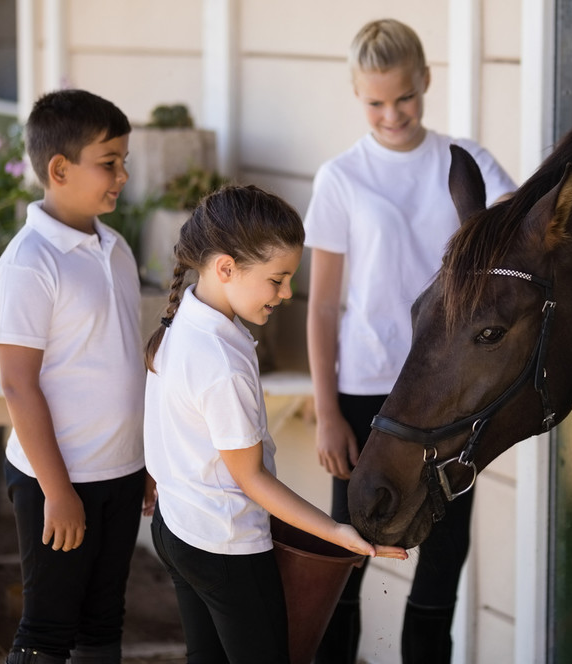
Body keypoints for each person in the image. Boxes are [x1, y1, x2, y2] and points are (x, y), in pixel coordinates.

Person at [305, 18, 517, 664]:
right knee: (350, 557)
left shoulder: (469, 164)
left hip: (450, 393)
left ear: (424, 81)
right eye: (374, 102)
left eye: (403, 97)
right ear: (355, 94)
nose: (391, 114)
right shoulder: (340, 178)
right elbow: (320, 305)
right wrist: (327, 413)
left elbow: (514, 254)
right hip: (368, 390)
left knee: (443, 560)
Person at [143, 184, 407, 663]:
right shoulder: (220, 359)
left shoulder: (187, 320)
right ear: (226, 268)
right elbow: (250, 478)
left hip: (177, 526)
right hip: (225, 546)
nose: (287, 294)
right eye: (277, 279)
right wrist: (336, 531)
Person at [0, 88, 152, 664]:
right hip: (54, 481)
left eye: (123, 161)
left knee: (104, 623)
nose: (122, 175)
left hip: (120, 472)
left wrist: (143, 460)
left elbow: (124, 359)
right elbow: (18, 384)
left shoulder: (117, 248)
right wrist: (57, 492)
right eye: (108, 163)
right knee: (48, 632)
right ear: (59, 169)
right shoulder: (29, 263)